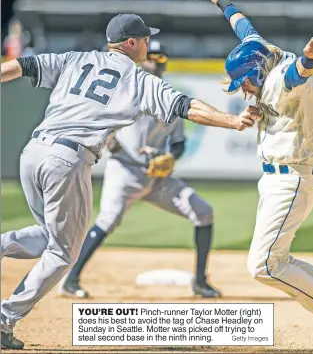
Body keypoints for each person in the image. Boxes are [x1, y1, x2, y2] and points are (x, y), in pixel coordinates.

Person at [0, 13, 260, 349]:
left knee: (50, 237)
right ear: (132, 43)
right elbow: (186, 106)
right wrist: (232, 120)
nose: (149, 46)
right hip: (67, 159)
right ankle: (5, 319)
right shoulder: (138, 80)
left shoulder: (75, 59)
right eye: (146, 40)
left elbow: (19, 66)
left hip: (33, 151)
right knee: (64, 253)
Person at [198, 0, 313, 350]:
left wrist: (310, 57)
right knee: (277, 260)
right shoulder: (263, 54)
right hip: (277, 179)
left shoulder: (281, 78)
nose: (242, 88)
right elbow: (244, 28)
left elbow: (298, 73)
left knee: (264, 266)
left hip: (292, 180)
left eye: (243, 80)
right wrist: (220, 1)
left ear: (258, 71)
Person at [58, 40, 221, 299]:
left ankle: (200, 282)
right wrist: (122, 152)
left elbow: (178, 142)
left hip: (157, 178)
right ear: (141, 59)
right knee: (108, 220)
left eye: (160, 57)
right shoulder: (125, 91)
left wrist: (170, 157)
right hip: (124, 171)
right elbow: (103, 130)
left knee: (204, 212)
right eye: (151, 56)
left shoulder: (170, 98)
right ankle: (71, 279)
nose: (155, 61)